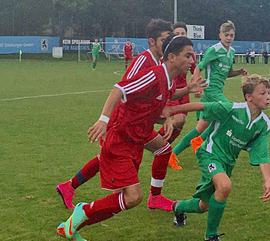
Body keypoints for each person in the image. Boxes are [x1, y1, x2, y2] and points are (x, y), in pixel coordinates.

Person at [56, 35, 205, 241]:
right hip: (120, 141)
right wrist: (103, 120)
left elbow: (168, 95)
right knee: (133, 197)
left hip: (136, 142)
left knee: (123, 200)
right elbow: (120, 89)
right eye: (188, 55)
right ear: (171, 57)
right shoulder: (153, 75)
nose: (193, 60)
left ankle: (71, 226)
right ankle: (82, 211)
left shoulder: (168, 80)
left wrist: (183, 96)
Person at [56, 19, 185, 212]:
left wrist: (164, 115)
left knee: (158, 151)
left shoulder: (159, 63)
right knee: (116, 159)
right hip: (123, 123)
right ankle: (80, 201)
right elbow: (124, 89)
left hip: (139, 123)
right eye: (164, 40)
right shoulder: (143, 60)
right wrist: (108, 122)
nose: (167, 45)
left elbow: (158, 95)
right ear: (152, 41)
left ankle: (69, 186)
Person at [171, 74, 270, 241]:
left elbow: (262, 153)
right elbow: (201, 106)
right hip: (209, 153)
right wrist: (170, 111)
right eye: (263, 93)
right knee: (225, 186)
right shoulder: (232, 109)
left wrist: (267, 180)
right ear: (249, 97)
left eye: (269, 93)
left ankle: (178, 207)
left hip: (227, 163)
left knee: (205, 205)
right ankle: (211, 237)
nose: (268, 97)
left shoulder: (263, 124)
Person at [169, 20, 248, 166]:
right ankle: (203, 143)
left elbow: (227, 73)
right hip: (211, 91)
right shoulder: (214, 50)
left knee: (201, 128)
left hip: (218, 91)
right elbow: (199, 67)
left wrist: (238, 72)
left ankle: (174, 154)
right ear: (220, 35)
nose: (229, 38)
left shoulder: (231, 52)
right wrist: (198, 86)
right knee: (229, 109)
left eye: (231, 35)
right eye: (226, 35)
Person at [161, 21, 198, 171]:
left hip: (184, 91)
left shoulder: (189, 55)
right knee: (178, 119)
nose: (180, 36)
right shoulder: (170, 57)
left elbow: (196, 69)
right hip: (172, 91)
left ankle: (162, 149)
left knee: (180, 123)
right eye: (177, 34)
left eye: (183, 34)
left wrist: (195, 86)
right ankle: (158, 145)